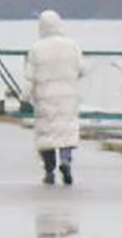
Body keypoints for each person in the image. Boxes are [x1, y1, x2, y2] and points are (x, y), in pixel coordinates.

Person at [26, 10, 84, 185]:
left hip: (45, 98)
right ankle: (66, 162)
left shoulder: (36, 48)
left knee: (47, 136)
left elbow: (30, 76)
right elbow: (82, 69)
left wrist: (24, 96)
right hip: (68, 97)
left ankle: (49, 170)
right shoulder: (72, 46)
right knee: (66, 133)